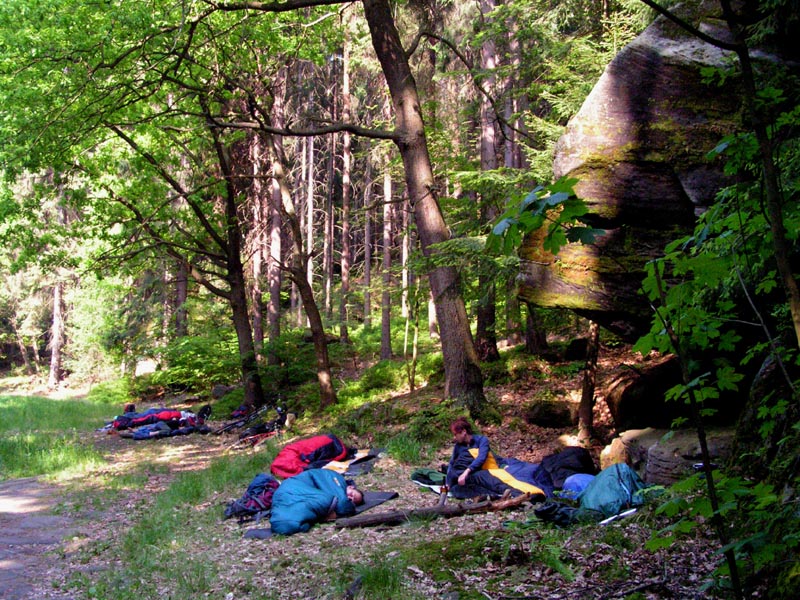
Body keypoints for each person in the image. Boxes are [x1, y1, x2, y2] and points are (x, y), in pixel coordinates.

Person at [446, 417, 548, 500]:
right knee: (459, 489)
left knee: (500, 482)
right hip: (474, 475)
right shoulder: (459, 446)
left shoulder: (482, 440)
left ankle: (528, 494)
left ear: (464, 432)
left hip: (488, 471)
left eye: (456, 434)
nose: (454, 437)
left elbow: (481, 458)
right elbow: (452, 464)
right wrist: (448, 483)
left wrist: (466, 472)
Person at [269, 468, 364, 535]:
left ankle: (305, 518)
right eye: (353, 494)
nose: (350, 498)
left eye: (353, 501)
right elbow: (343, 505)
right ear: (351, 487)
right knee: (325, 500)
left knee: (286, 522)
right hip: (292, 488)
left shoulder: (337, 490)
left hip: (289, 493)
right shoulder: (337, 480)